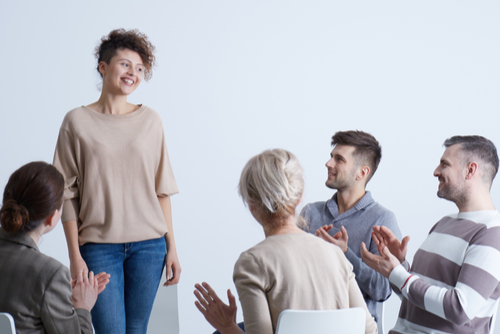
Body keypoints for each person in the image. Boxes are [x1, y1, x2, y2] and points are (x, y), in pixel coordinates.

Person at [53, 28, 180, 334]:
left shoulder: (151, 120)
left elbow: (161, 189)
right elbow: (66, 194)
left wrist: (172, 247)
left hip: (150, 246)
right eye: (125, 64)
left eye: (139, 69)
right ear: (103, 66)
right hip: (98, 247)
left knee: (136, 330)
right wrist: (75, 256)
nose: (132, 73)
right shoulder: (76, 121)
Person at [194, 149, 377, 334]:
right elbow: (369, 330)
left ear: (251, 205)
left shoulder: (251, 262)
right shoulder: (335, 253)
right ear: (298, 198)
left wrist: (227, 327)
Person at [361, 135, 500, 334]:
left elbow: (460, 308)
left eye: (444, 164)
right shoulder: (444, 223)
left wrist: (398, 274)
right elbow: (415, 298)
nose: (436, 171)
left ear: (471, 170)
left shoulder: (492, 234)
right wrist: (399, 265)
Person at [299, 130, 401, 322]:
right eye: (331, 157)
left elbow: (382, 290)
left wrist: (344, 254)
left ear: (362, 172)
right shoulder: (311, 212)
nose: (328, 164)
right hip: (303, 320)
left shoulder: (382, 219)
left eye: (339, 159)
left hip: (352, 326)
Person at [0, 161, 110, 334]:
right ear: (52, 218)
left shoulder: (50, 277)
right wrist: (82, 307)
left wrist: (57, 294)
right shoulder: (50, 274)